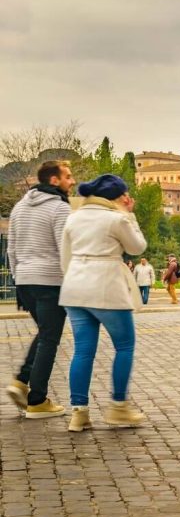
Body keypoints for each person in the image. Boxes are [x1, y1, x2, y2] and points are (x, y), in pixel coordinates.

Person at [59, 174, 148, 431]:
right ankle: (118, 407)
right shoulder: (117, 218)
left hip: (75, 287)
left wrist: (75, 278)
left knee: (83, 350)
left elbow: (65, 258)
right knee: (125, 346)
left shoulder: (74, 218)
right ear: (118, 196)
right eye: (125, 195)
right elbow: (137, 247)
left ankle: (79, 412)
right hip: (106, 286)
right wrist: (130, 215)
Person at [5, 160, 75, 418]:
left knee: (45, 333)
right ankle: (37, 401)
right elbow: (65, 250)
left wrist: (17, 276)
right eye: (68, 176)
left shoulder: (19, 207)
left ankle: (22, 381)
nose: (73, 181)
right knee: (50, 338)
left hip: (24, 281)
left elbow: (11, 248)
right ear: (54, 181)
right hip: (50, 281)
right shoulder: (59, 208)